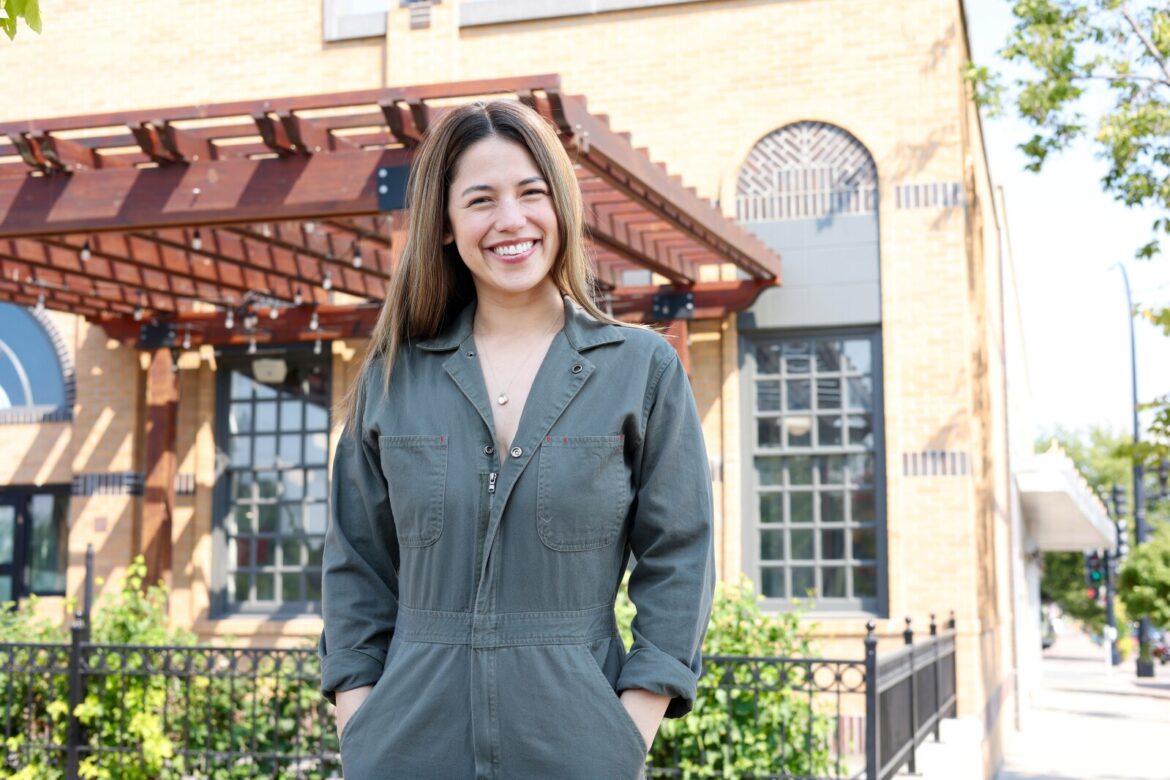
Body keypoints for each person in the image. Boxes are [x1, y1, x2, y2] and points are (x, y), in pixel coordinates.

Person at [319, 99, 714, 779]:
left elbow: (680, 553)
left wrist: (628, 726)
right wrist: (360, 721)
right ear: (446, 226)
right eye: (481, 200)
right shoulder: (392, 379)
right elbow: (356, 562)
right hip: (404, 750)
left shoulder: (641, 370)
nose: (511, 220)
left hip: (580, 750)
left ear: (562, 206)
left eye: (532, 193)